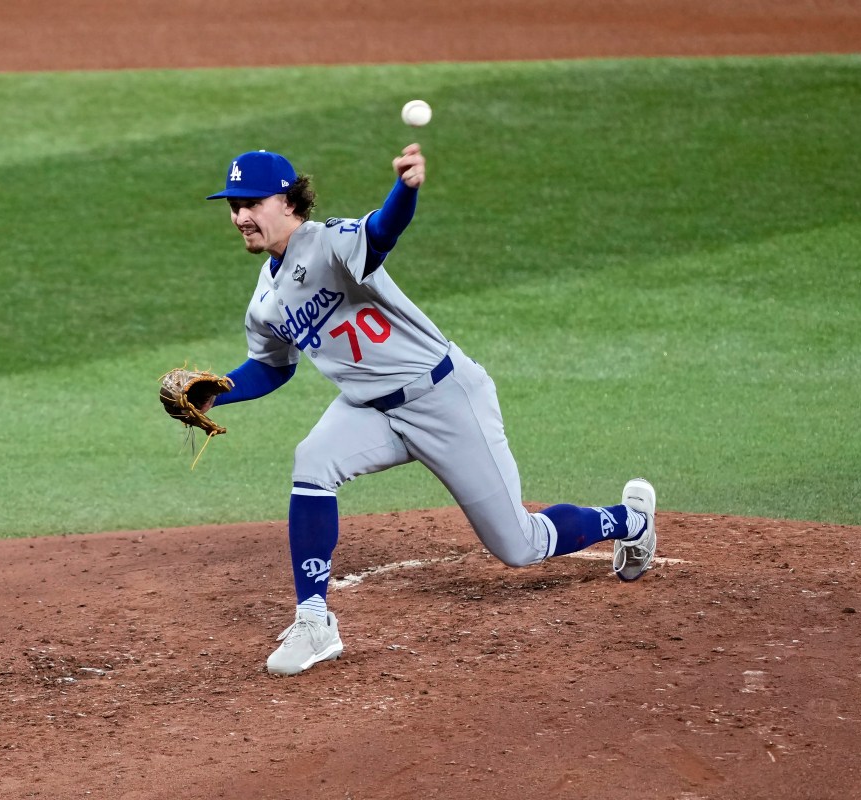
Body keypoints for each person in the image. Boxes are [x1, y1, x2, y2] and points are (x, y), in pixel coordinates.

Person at [201, 144, 657, 676]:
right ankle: (314, 622)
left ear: (287, 201)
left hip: (444, 398)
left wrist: (405, 189)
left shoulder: (330, 242)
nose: (240, 216)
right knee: (313, 462)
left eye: (251, 203)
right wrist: (217, 391)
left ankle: (632, 520)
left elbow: (383, 231)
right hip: (370, 410)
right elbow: (272, 367)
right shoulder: (264, 300)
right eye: (233, 206)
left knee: (520, 545)